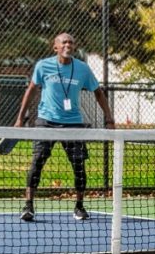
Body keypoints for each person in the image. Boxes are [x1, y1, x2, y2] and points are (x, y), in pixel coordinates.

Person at [14, 32, 108, 223]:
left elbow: (98, 93)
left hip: (73, 123)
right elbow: (31, 90)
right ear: (55, 46)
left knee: (79, 166)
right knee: (37, 162)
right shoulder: (43, 66)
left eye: (71, 42)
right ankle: (28, 206)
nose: (68, 45)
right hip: (46, 121)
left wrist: (110, 118)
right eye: (64, 42)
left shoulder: (82, 69)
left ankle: (79, 207)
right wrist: (20, 118)